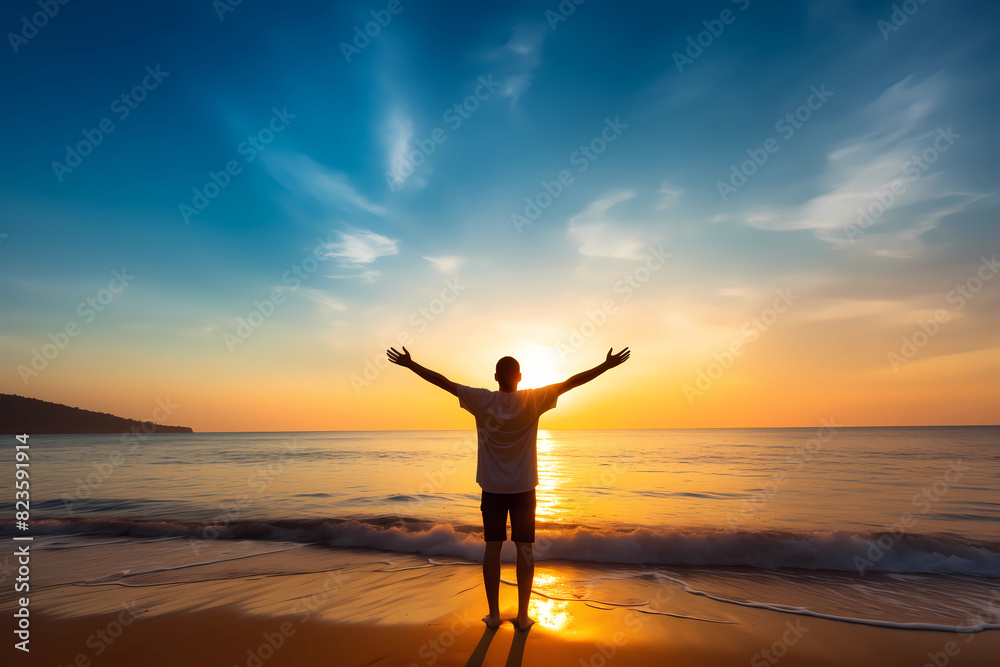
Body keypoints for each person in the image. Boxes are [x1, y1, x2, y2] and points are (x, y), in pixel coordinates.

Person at [386, 345, 630, 631]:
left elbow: (443, 382)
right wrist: (605, 366)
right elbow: (571, 383)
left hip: (492, 490)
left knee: (493, 548)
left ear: (496, 377)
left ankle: (493, 615)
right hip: (524, 489)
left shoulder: (481, 400)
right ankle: (523, 617)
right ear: (519, 377)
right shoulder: (533, 400)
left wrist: (411, 365)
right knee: (525, 551)